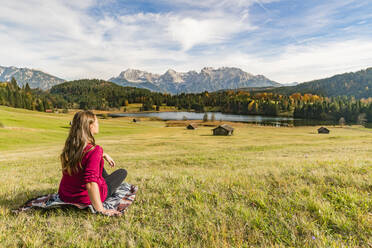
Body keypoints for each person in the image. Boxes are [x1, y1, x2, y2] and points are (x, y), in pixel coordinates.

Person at [58, 110, 127, 216]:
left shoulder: (70, 147)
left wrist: (103, 155)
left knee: (97, 165)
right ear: (90, 126)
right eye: (97, 122)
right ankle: (104, 184)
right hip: (84, 197)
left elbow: (85, 158)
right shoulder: (94, 150)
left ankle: (103, 180)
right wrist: (101, 210)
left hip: (65, 195)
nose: (98, 125)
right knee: (122, 172)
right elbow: (90, 183)